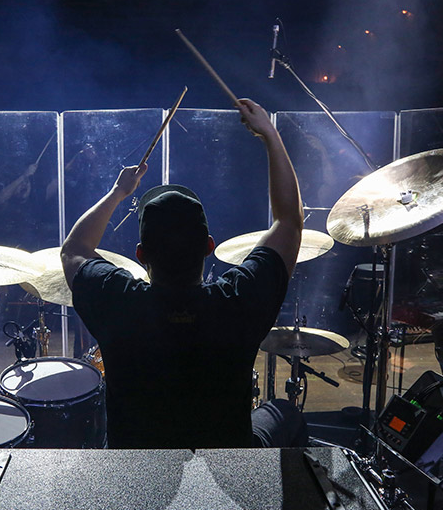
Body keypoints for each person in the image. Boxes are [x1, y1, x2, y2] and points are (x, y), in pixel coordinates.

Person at [61, 98, 307, 449]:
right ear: (209, 246)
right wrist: (270, 135)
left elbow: (74, 249)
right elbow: (290, 222)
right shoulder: (238, 299)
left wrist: (118, 193)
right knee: (286, 412)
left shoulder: (118, 301)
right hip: (228, 461)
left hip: (136, 465)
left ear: (141, 255)